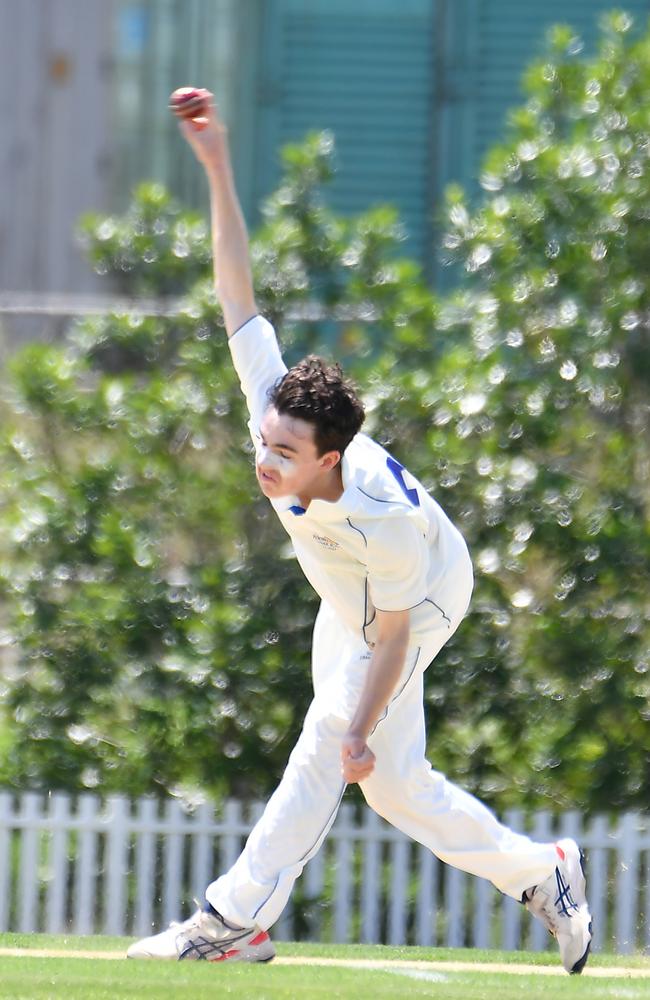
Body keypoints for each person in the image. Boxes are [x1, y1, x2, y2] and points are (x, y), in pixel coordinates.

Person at [127, 88, 592, 974]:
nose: (264, 462)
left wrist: (356, 728)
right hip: (349, 595)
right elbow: (237, 293)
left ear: (332, 458)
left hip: (417, 597)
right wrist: (218, 164)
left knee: (331, 738)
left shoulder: (383, 519)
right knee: (394, 788)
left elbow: (392, 635)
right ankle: (543, 871)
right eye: (265, 442)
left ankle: (230, 920)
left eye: (286, 454)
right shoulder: (275, 411)